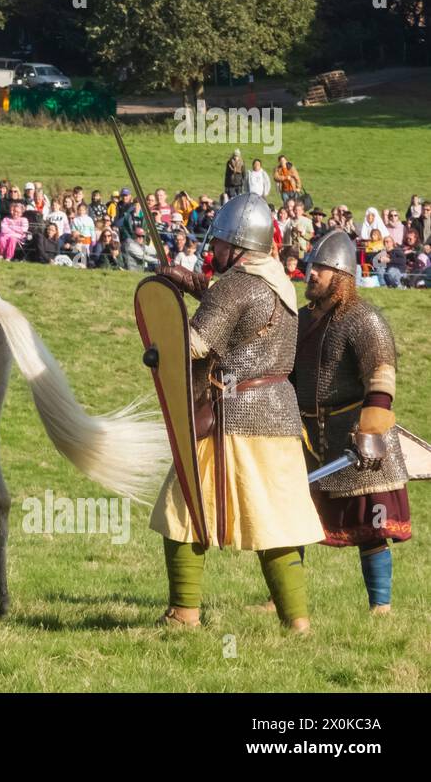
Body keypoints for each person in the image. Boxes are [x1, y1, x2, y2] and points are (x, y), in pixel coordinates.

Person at [153, 193, 323, 632]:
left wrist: (157, 342)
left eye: (220, 244)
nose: (215, 251)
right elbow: (242, 316)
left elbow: (195, 344)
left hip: (230, 415)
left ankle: (184, 614)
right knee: (276, 521)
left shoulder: (234, 286)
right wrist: (193, 285)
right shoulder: (279, 286)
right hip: (279, 415)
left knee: (185, 505)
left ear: (236, 244)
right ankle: (297, 621)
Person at [293, 231, 411, 612]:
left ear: (341, 276)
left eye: (322, 269)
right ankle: (281, 600)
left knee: (371, 528)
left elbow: (381, 374)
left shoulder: (363, 319)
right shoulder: (301, 321)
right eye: (312, 267)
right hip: (309, 436)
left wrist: (372, 427)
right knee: (290, 516)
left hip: (355, 434)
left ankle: (381, 605)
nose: (312, 274)